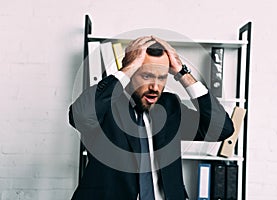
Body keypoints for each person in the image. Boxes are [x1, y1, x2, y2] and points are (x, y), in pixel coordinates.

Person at [68, 36, 234, 200]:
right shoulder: (105, 106)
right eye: (146, 76)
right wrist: (127, 68)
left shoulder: (170, 107)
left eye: (162, 77)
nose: (155, 87)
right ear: (131, 72)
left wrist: (182, 73)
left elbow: (222, 129)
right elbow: (81, 116)